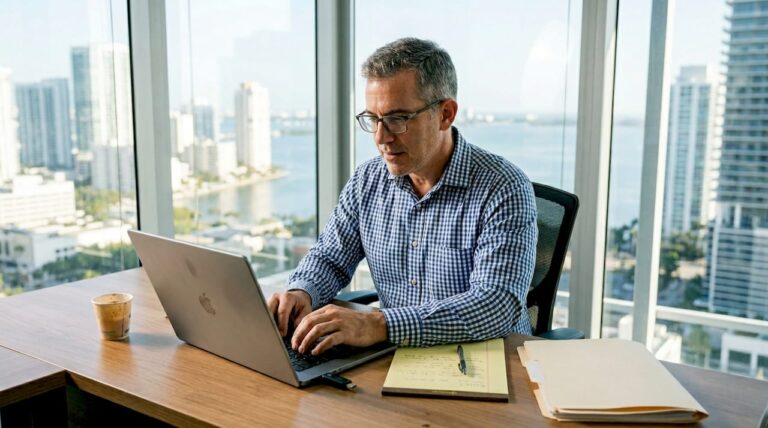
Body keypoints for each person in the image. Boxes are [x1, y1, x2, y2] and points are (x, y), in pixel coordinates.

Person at [267, 37, 537, 356]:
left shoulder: (503, 187)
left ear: (446, 114)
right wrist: (303, 291)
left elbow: (495, 306)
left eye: (397, 119)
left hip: (486, 360)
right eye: (373, 119)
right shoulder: (367, 180)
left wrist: (380, 325)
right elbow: (330, 257)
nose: (381, 137)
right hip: (396, 357)